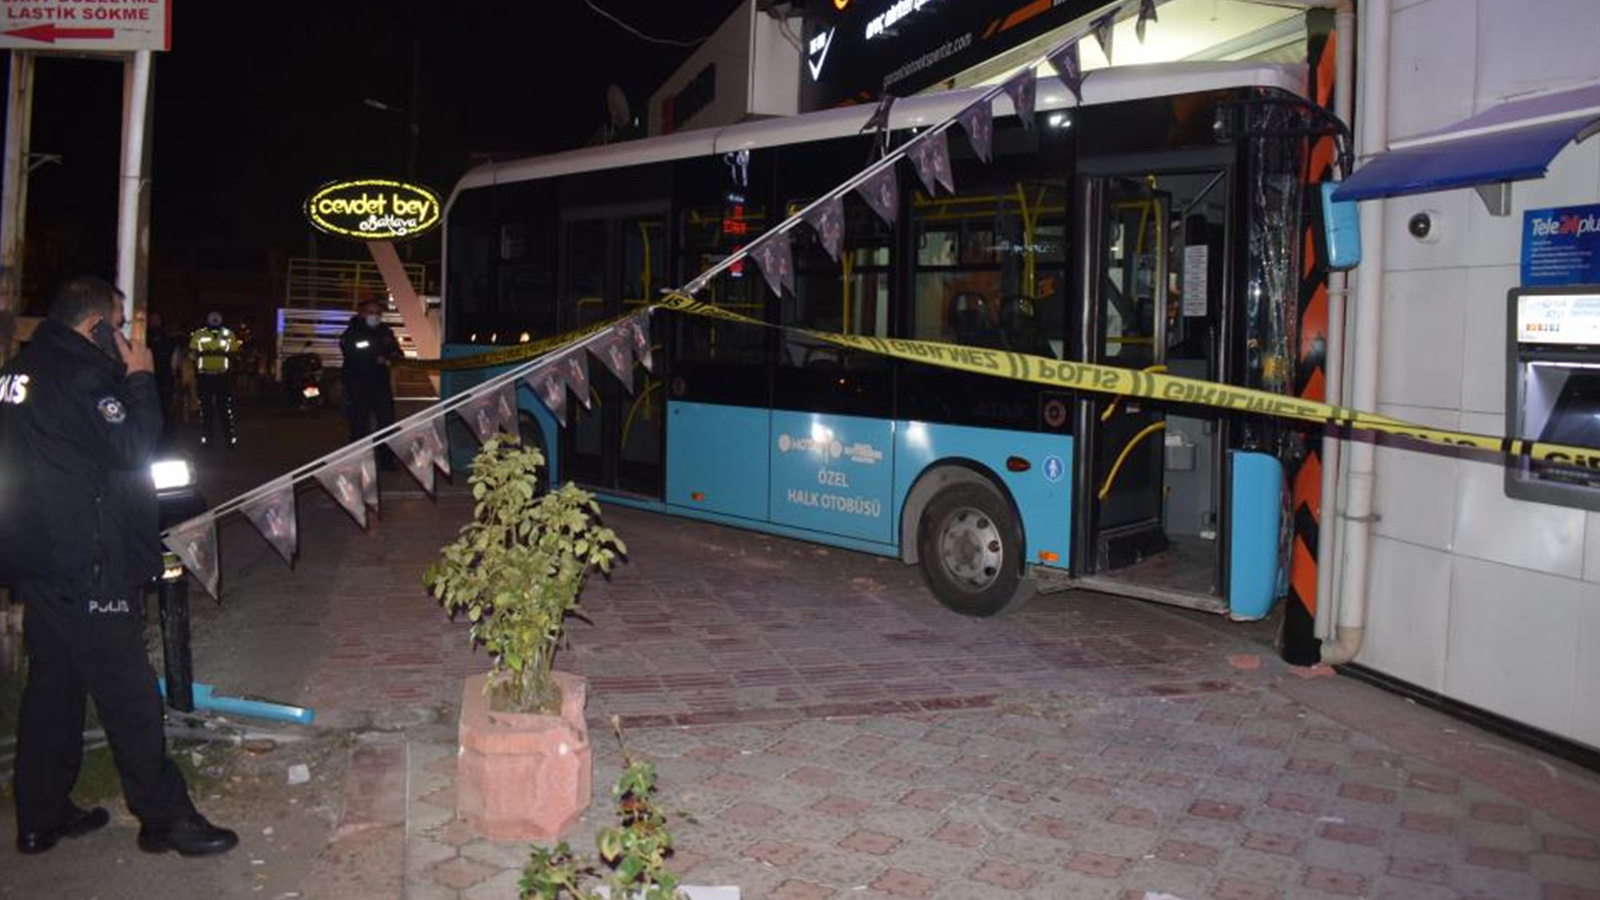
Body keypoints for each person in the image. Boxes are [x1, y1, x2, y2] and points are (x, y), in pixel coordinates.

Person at [0, 275, 238, 857]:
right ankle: (165, 818)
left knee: (53, 689)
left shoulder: (17, 372)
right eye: (120, 324)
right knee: (130, 694)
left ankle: (41, 815)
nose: (127, 334)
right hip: (87, 561)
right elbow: (133, 446)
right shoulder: (81, 376)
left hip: (38, 558)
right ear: (96, 326)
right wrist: (139, 377)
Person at [339, 300, 401, 446]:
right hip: (358, 384)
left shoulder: (385, 331)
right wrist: (376, 357)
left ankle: (386, 456)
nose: (375, 316)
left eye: (378, 313)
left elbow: (396, 351)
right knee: (359, 424)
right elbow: (352, 352)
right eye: (370, 312)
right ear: (361, 314)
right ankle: (359, 455)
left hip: (381, 384)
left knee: (386, 423)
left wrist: (392, 357)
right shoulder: (352, 332)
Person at [188, 311, 239, 447]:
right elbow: (192, 354)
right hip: (205, 376)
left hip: (222, 376)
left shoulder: (228, 334)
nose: (215, 321)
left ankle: (229, 440)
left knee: (224, 409)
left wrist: (231, 373)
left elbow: (234, 354)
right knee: (206, 410)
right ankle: (208, 439)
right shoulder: (199, 334)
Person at [144, 311, 179, 435]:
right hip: (149, 379)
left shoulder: (169, 341)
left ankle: (165, 434)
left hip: (164, 380)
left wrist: (174, 379)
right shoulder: (144, 338)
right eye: (152, 319)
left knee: (165, 409)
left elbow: (174, 362)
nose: (154, 322)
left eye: (156, 319)